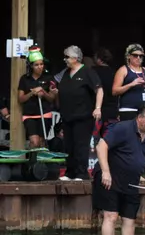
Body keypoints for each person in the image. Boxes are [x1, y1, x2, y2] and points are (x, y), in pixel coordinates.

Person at [92, 103, 145, 235]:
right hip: (111, 178)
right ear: (139, 118)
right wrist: (105, 172)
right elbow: (101, 146)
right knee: (111, 215)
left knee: (129, 218)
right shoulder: (122, 128)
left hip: (131, 182)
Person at [58, 46, 104, 181]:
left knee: (80, 145)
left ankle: (81, 173)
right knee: (69, 145)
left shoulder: (88, 72)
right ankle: (70, 172)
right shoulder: (66, 73)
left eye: (67, 57)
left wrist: (98, 108)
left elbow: (99, 90)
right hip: (67, 116)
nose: (65, 59)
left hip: (82, 116)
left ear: (75, 58)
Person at [18, 49, 57, 149]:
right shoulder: (25, 79)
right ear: (31, 66)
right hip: (29, 115)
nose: (40, 67)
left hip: (44, 113)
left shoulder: (48, 78)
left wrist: (43, 92)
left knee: (41, 142)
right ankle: (32, 163)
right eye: (36, 65)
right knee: (34, 142)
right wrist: (32, 93)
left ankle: (40, 163)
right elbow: (21, 99)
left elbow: (51, 98)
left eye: (41, 64)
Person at [113, 44, 145, 123]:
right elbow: (115, 91)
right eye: (135, 55)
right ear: (129, 56)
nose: (138, 58)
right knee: (129, 133)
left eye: (141, 56)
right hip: (129, 109)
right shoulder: (123, 70)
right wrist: (131, 84)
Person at [92, 48, 118, 129]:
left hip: (95, 110)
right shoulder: (115, 72)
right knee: (109, 138)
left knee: (94, 139)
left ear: (99, 60)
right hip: (112, 111)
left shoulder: (92, 72)